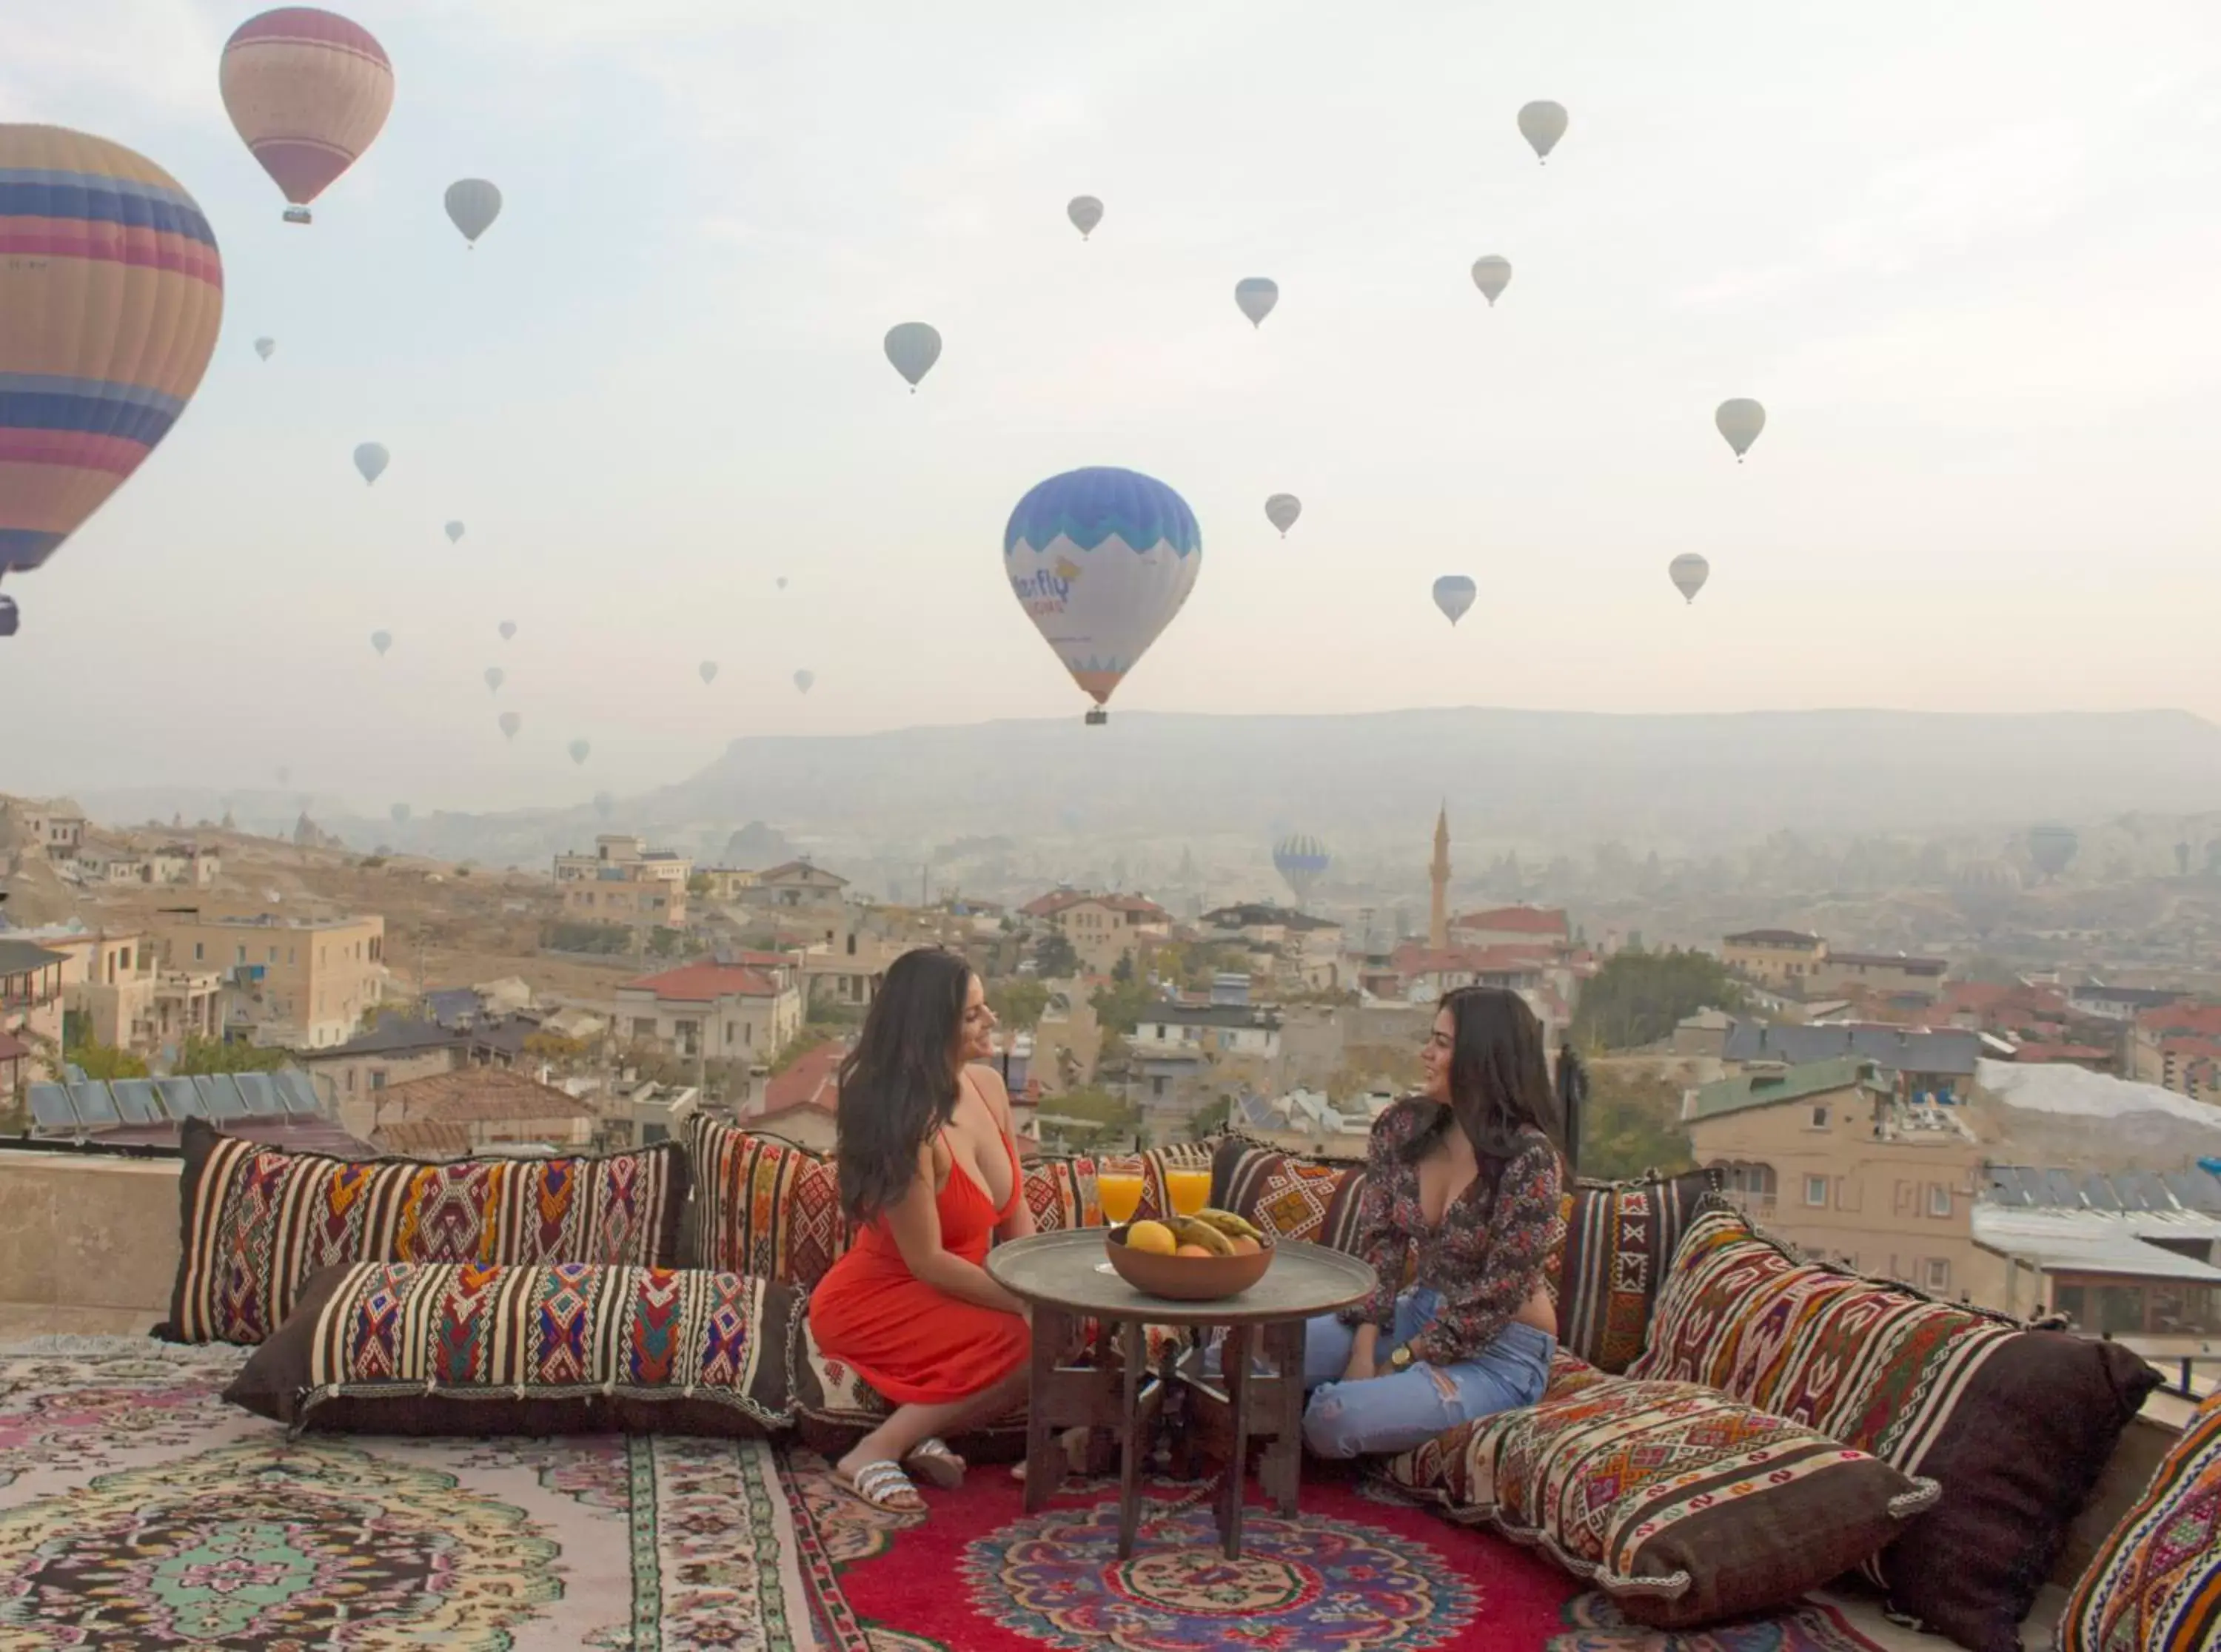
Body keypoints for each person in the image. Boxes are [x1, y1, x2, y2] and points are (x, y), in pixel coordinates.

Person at [808, 948, 1035, 1512]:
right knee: (1029, 1340)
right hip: (881, 1298)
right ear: (932, 1030)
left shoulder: (988, 1088)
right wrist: (1025, 1304)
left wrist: (1044, 1287)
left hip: (957, 1287)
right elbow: (928, 1262)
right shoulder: (907, 1127)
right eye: (972, 1015)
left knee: (1063, 1327)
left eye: (985, 1008)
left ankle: (917, 1431)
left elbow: (1015, 1211)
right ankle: (871, 1453)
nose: (991, 1021)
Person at [1299, 986, 1567, 1458]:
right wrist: (1363, 1352)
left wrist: (1399, 1362)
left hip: (1501, 1353)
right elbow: (1382, 1246)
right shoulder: (1403, 1129)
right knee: (1263, 1348)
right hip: (1417, 1311)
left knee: (1334, 1415)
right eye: (1432, 1039)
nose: (1426, 1053)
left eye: (1442, 1043)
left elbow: (1498, 1296)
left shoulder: (1530, 1160)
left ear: (1482, 1058)